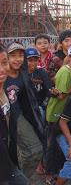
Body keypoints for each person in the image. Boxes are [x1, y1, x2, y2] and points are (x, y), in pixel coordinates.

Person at [45, 44, 71, 183]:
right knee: (53, 146)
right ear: (69, 57)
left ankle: (61, 172)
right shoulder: (65, 71)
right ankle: (49, 174)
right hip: (55, 114)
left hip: (62, 113)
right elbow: (61, 96)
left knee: (60, 145)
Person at [4, 42, 44, 179]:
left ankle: (22, 177)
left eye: (21, 55)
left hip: (20, 115)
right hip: (7, 117)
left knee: (37, 151)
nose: (17, 59)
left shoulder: (23, 74)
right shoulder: (3, 75)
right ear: (6, 57)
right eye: (13, 55)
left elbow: (28, 98)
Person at [0, 44, 30, 185]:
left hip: (8, 160)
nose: (2, 69)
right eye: (14, 55)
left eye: (4, 63)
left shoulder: (4, 92)